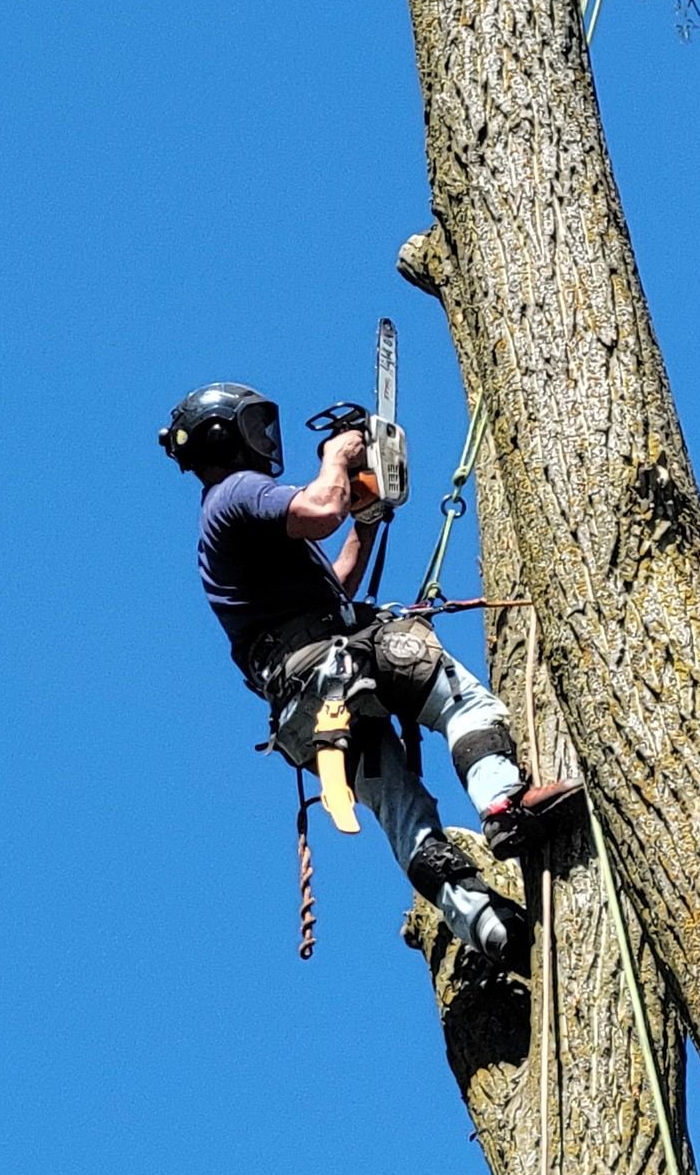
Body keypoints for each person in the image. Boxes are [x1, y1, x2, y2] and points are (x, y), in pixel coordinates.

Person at [162, 381, 582, 962]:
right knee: (463, 702)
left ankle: (484, 925)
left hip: (308, 704)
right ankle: (504, 803)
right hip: (336, 665)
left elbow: (335, 586)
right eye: (254, 427)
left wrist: (368, 519)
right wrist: (337, 460)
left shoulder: (230, 528)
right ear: (223, 437)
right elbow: (319, 510)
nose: (266, 442)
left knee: (399, 807)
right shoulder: (237, 491)